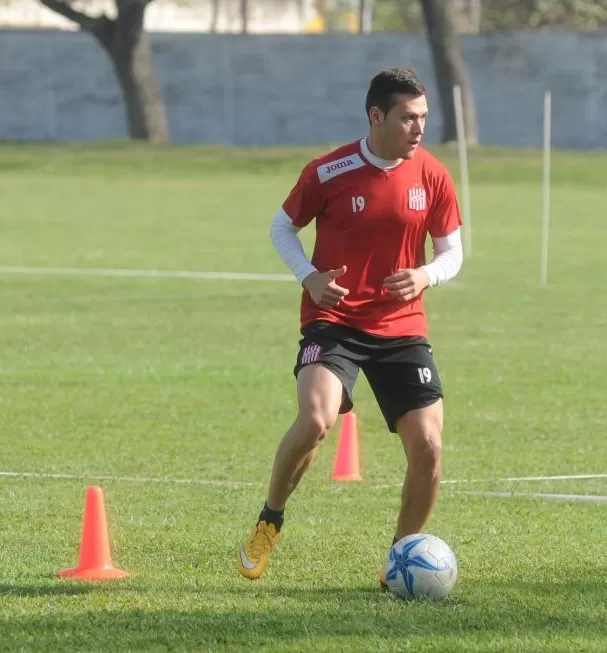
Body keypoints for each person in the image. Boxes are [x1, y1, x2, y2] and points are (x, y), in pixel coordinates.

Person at [236, 67, 465, 588]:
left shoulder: (431, 174)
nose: (419, 128)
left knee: (429, 450)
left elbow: (452, 253)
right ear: (376, 115)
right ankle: (270, 519)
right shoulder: (328, 171)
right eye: (409, 118)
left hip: (402, 327)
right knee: (316, 421)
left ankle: (397, 564)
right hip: (333, 321)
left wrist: (425, 274)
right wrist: (310, 276)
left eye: (424, 118)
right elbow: (282, 227)